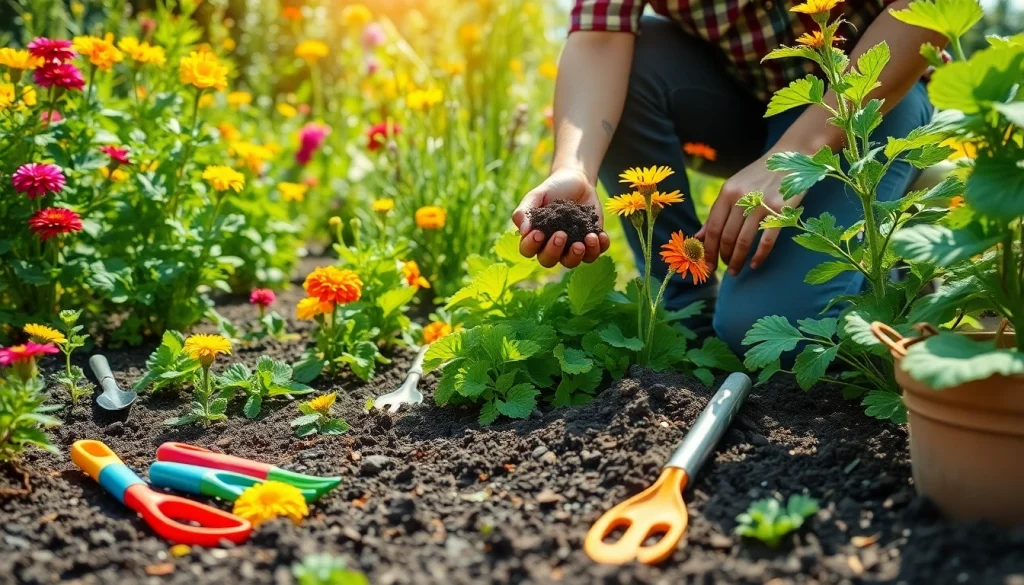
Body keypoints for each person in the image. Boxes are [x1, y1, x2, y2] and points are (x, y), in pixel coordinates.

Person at [511, 0, 945, 353]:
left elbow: (929, 9)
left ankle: (901, 209)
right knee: (637, 58)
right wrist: (573, 167)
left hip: (871, 94)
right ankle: (685, 313)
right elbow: (600, 37)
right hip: (739, 102)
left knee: (766, 332)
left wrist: (797, 154)